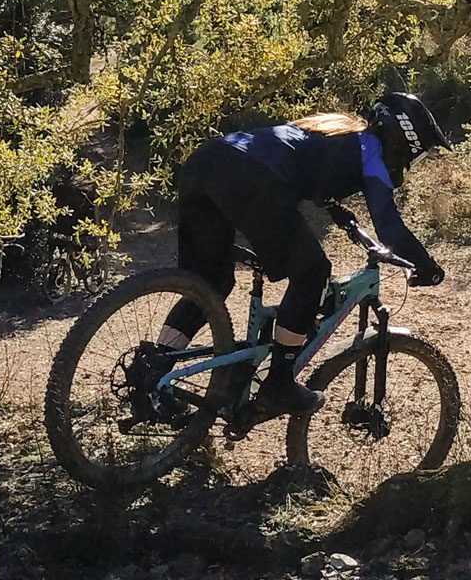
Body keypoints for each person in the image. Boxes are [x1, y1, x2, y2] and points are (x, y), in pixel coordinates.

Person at [144, 91, 453, 424]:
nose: (408, 163)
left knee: (209, 283)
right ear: (403, 138)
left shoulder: (334, 132)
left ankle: (150, 372)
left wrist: (344, 217)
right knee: (312, 272)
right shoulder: (370, 150)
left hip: (207, 161)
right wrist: (426, 265)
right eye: (415, 154)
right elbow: (388, 225)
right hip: (249, 177)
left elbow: (310, 174)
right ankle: (278, 382)